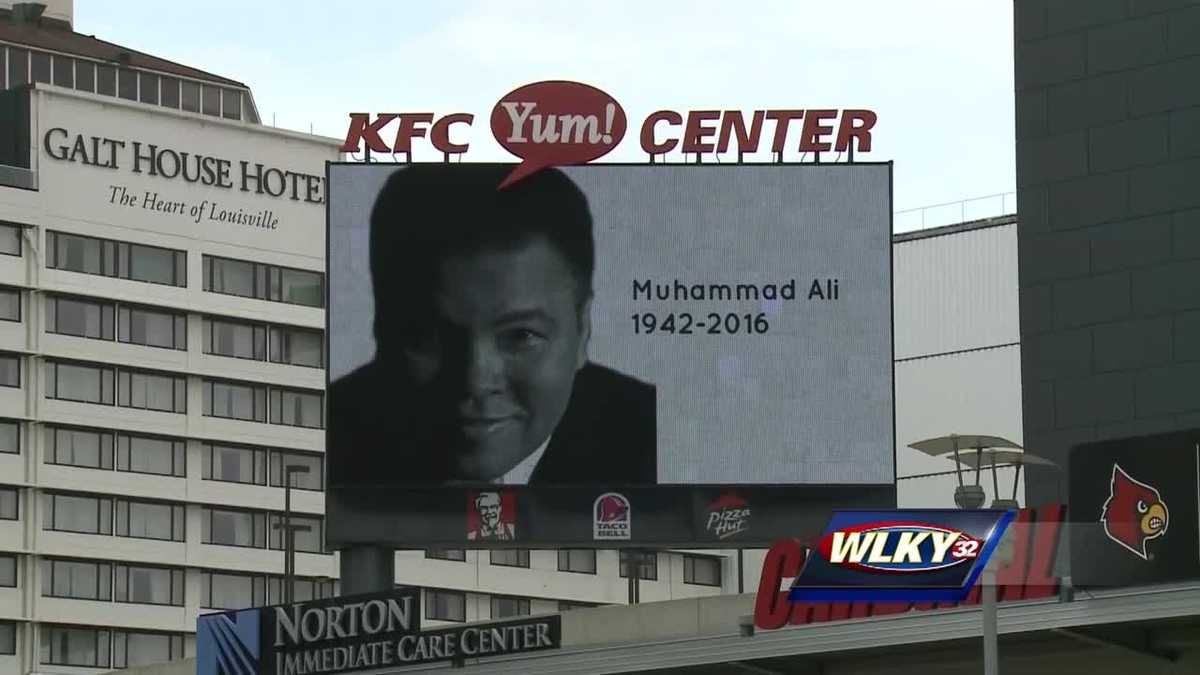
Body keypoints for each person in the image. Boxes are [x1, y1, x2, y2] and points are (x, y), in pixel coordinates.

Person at [328, 163, 656, 485]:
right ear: (380, 324)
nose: (475, 380)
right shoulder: (322, 437)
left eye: (520, 335)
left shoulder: (658, 439)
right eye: (429, 337)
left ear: (583, 330)